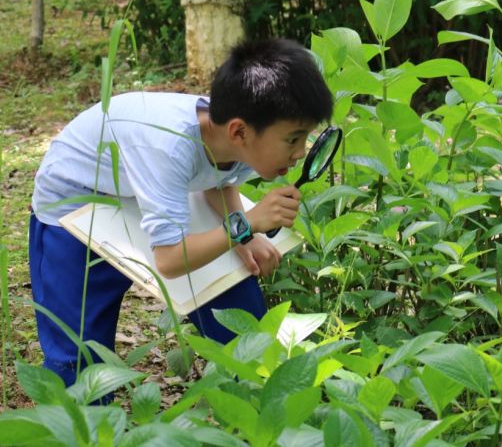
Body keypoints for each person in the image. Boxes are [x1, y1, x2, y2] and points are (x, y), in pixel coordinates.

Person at [29, 38, 334, 385]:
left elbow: (220, 180)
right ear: (239, 132)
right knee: (79, 360)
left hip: (150, 186)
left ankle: (257, 403)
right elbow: (171, 261)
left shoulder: (234, 134)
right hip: (77, 205)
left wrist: (245, 238)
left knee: (237, 310)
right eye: (293, 140)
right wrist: (246, 224)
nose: (300, 152)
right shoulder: (170, 146)